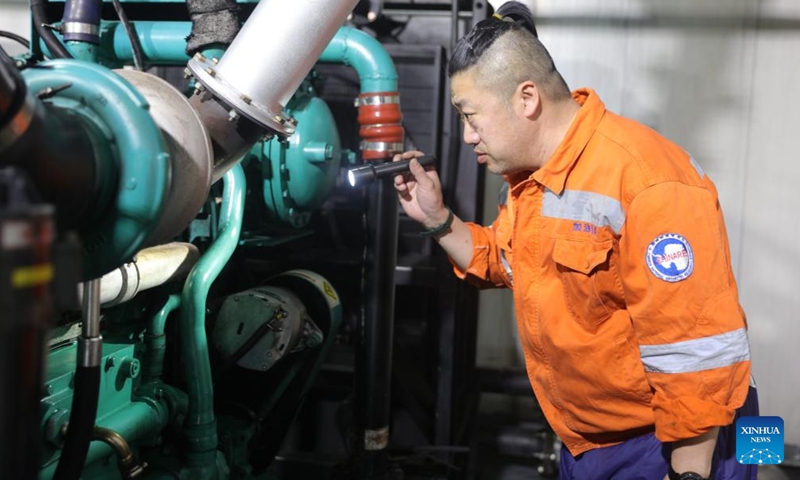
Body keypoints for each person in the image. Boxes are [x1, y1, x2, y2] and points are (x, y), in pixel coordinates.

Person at [393, 2, 758, 479]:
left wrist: (688, 471)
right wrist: (438, 219)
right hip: (589, 443)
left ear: (527, 98)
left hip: (683, 444)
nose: (466, 136)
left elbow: (696, 348)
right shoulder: (536, 181)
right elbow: (506, 262)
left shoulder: (648, 180)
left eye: (471, 116)